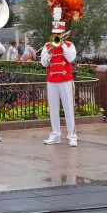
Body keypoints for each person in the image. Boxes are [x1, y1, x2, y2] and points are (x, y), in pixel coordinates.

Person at [40, 8, 77, 146]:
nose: (56, 35)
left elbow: (71, 58)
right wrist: (49, 52)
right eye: (54, 33)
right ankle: (55, 134)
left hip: (66, 80)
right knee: (53, 108)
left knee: (69, 107)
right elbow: (44, 63)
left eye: (59, 33)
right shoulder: (47, 46)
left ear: (63, 33)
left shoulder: (69, 45)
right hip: (52, 81)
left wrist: (62, 46)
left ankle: (72, 136)